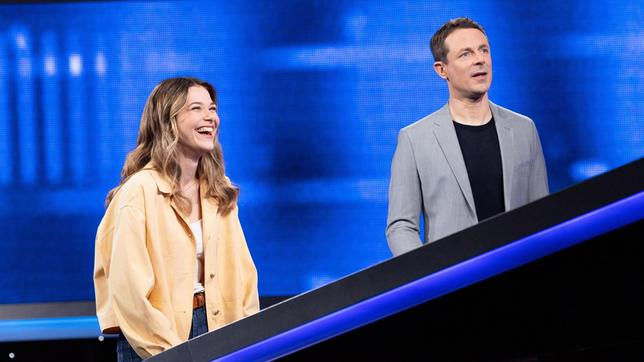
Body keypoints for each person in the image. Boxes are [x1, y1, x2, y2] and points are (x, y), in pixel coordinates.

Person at [93, 77, 259, 360]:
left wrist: (250, 341)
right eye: (197, 108)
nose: (211, 117)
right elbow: (130, 295)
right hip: (152, 342)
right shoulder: (138, 193)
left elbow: (243, 279)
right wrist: (172, 354)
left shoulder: (218, 190)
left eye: (213, 108)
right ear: (168, 121)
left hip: (218, 331)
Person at [386, 18, 549, 257]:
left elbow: (541, 214)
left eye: (484, 50)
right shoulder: (415, 139)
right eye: (465, 54)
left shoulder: (523, 129)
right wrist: (428, 275)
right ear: (442, 70)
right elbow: (400, 226)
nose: (479, 59)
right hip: (452, 284)